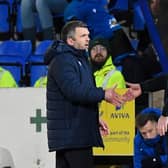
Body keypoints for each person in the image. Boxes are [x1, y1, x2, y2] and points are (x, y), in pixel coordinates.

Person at [44, 20, 124, 168]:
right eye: (83, 36)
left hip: (76, 133)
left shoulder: (80, 59)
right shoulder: (63, 60)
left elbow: (82, 92)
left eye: (88, 35)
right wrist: (103, 94)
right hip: (73, 135)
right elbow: (74, 91)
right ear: (70, 40)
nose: (88, 38)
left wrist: (95, 118)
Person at [88, 37, 127, 168]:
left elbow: (120, 105)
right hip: (89, 129)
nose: (98, 52)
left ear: (108, 52)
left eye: (102, 49)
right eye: (94, 49)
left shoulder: (115, 75)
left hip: (110, 132)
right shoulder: (85, 74)